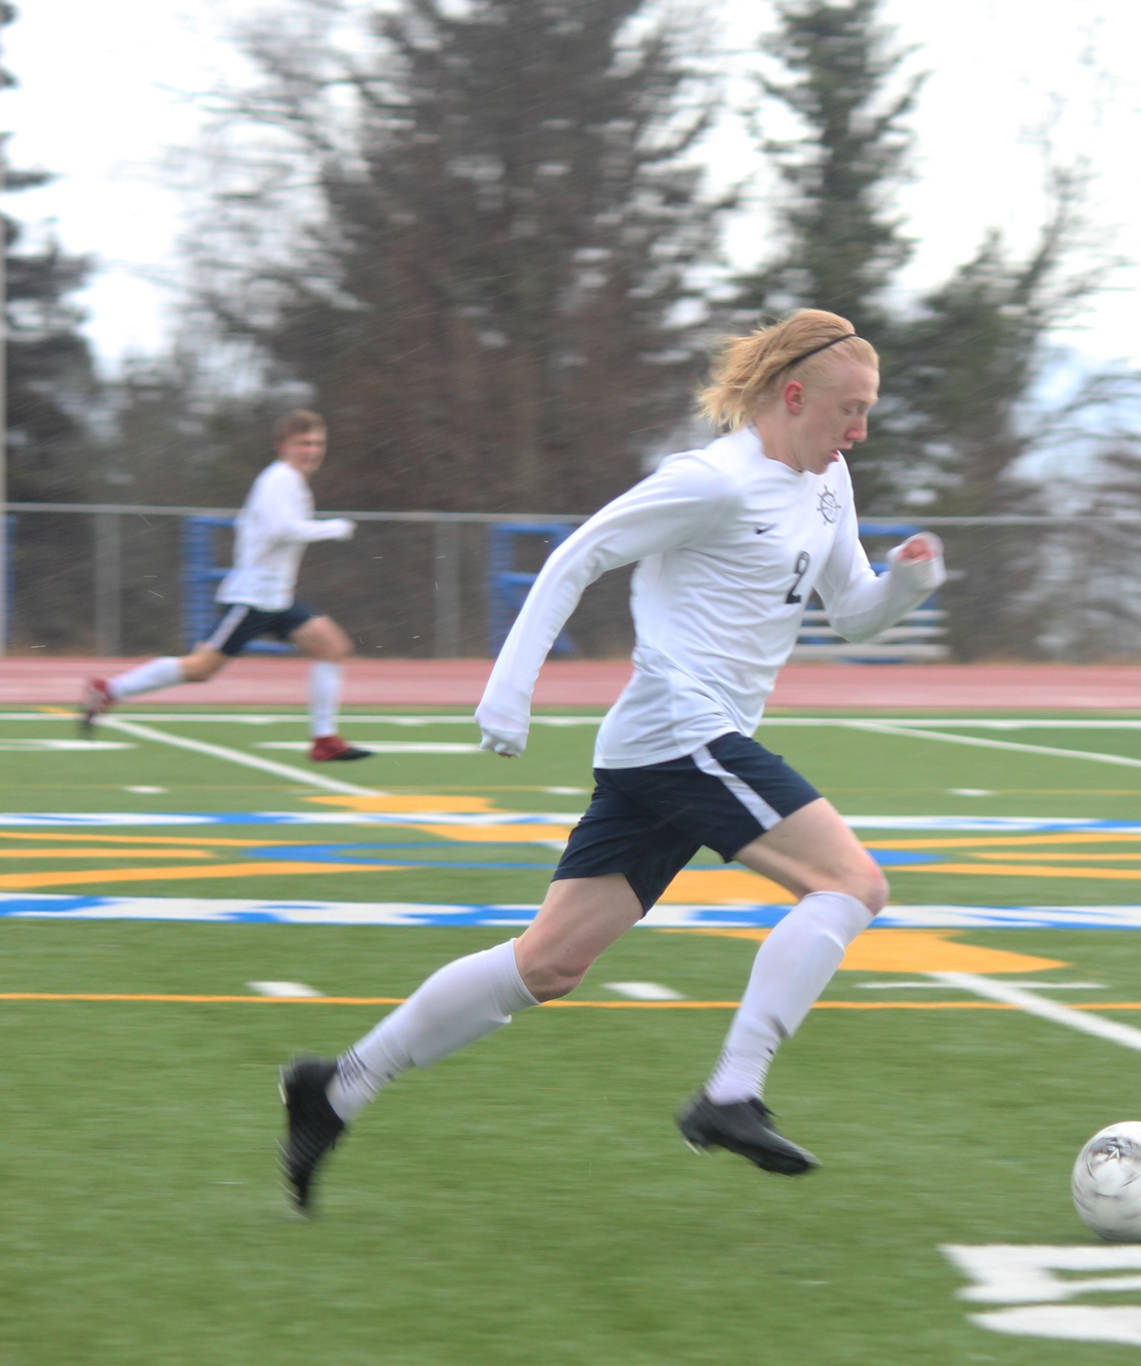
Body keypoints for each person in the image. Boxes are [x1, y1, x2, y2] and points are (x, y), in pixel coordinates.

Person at [276, 309, 945, 1212]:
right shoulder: (710, 482)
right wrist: (509, 692)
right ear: (795, 396)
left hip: (661, 751)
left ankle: (336, 1087)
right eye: (851, 411)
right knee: (854, 885)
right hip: (683, 729)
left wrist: (903, 583)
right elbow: (576, 557)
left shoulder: (829, 484)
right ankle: (731, 1092)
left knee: (547, 965)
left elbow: (850, 612)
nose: (861, 431)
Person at [80, 409, 372, 762]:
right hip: (252, 599)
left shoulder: (292, 482)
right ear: (283, 446)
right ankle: (108, 689)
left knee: (332, 646)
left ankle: (324, 739)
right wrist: (334, 528)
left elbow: (269, 536)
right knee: (201, 668)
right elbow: (282, 531)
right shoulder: (278, 479)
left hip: (276, 598)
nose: (312, 450)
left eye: (317, 443)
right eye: (303, 443)